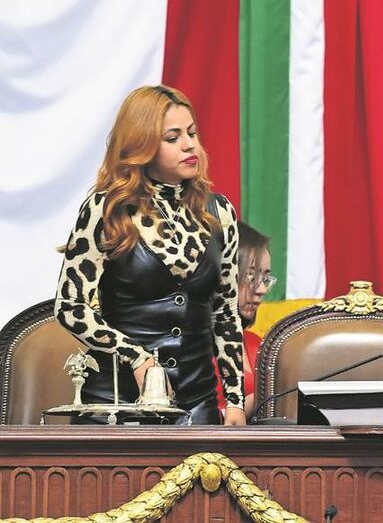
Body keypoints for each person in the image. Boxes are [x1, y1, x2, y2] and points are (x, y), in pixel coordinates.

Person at [54, 85, 245, 425]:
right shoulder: (107, 209)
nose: (189, 145)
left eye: (192, 133)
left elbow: (225, 313)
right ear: (142, 146)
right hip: (115, 405)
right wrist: (137, 358)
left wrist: (234, 400)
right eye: (172, 138)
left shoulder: (219, 213)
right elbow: (70, 307)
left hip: (196, 406)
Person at [215, 221, 273, 419]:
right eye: (250, 275)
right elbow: (181, 422)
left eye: (265, 278)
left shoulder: (258, 343)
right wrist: (260, 399)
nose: (261, 290)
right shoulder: (191, 346)